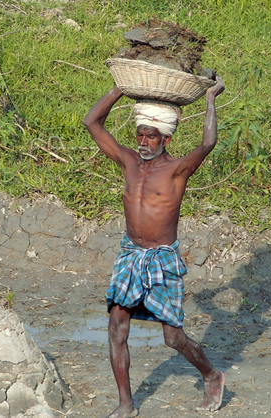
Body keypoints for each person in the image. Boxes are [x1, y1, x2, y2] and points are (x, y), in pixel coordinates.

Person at [83, 75, 225, 418]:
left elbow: (207, 143)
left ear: (167, 138)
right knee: (117, 326)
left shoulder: (178, 170)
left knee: (173, 339)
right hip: (131, 255)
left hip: (162, 259)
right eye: (140, 134)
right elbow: (92, 122)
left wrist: (210, 99)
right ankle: (126, 404)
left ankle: (211, 374)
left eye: (151, 136)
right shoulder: (129, 162)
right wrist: (121, 87)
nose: (144, 141)